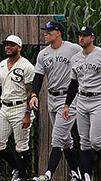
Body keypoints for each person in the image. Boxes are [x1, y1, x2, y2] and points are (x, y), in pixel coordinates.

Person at [62, 25, 101, 181]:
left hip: (100, 99)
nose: (82, 38)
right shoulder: (76, 58)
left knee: (95, 140)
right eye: (80, 35)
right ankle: (87, 176)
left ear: (92, 37)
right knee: (84, 142)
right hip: (81, 99)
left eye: (85, 35)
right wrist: (67, 104)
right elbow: (73, 83)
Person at [29, 20, 82, 181]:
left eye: (49, 31)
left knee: (58, 138)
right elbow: (38, 77)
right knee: (66, 141)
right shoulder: (43, 54)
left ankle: (47, 175)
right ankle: (76, 174)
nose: (45, 34)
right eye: (45, 31)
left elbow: (88, 59)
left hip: (69, 99)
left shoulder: (73, 49)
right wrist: (34, 95)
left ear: (58, 33)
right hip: (52, 98)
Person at [0, 34, 35, 181]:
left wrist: (28, 114)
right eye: (6, 45)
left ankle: (21, 177)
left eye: (12, 45)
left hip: (21, 108)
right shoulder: (2, 65)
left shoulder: (26, 66)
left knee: (21, 145)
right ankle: (16, 167)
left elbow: (30, 92)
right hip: (4, 108)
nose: (8, 47)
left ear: (19, 47)